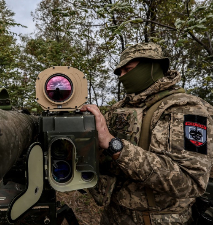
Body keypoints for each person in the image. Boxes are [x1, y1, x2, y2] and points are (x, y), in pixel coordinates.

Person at [81, 42, 213, 225]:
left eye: (128, 69)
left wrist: (114, 145)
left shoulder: (188, 109)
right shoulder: (119, 109)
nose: (122, 76)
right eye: (120, 72)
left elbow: (189, 182)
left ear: (153, 67)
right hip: (113, 216)